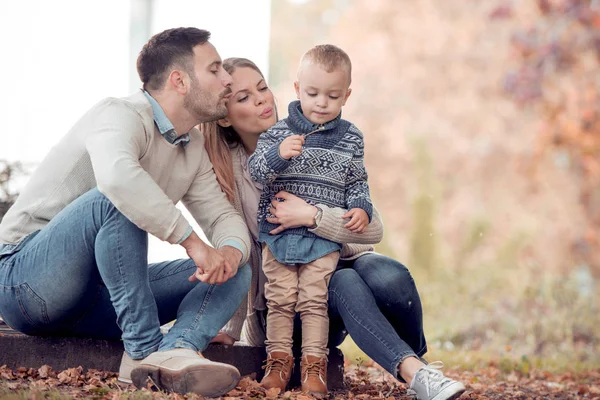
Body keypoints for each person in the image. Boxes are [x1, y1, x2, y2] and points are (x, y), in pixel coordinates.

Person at [0, 27, 252, 398]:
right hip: (25, 282)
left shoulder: (191, 145)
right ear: (179, 80)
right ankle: (143, 348)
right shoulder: (118, 114)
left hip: (98, 300)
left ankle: (175, 351)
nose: (227, 79)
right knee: (112, 202)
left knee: (237, 268)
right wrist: (192, 243)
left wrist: (227, 251)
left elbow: (221, 216)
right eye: (215, 69)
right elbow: (118, 181)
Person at [203, 57, 467, 400]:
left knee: (384, 272)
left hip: (330, 260)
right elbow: (238, 252)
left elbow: (372, 229)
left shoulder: (322, 135)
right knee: (343, 280)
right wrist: (229, 327)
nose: (261, 99)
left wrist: (313, 216)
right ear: (224, 116)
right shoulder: (227, 178)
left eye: (263, 87)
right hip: (286, 299)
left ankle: (421, 365)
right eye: (243, 97)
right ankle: (415, 373)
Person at [244, 44, 372, 396]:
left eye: (332, 96)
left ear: (346, 94)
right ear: (298, 89)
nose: (321, 103)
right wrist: (277, 155)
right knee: (281, 298)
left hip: (321, 240)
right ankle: (278, 361)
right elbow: (256, 171)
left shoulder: (350, 138)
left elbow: (357, 181)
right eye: (313, 93)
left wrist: (361, 207)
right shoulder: (277, 133)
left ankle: (314, 365)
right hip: (279, 234)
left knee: (314, 301)